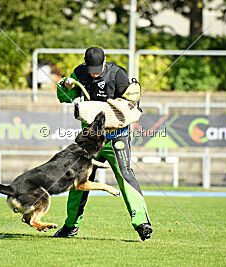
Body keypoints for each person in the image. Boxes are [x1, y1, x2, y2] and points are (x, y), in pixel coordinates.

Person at [54, 47, 152, 241]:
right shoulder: (79, 73)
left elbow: (133, 105)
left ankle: (141, 222)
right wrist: (65, 85)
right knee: (78, 180)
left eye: (98, 69)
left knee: (125, 175)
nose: (94, 73)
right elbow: (63, 97)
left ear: (105, 61)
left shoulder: (118, 75)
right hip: (89, 139)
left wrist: (123, 108)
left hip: (116, 136)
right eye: (91, 69)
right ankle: (71, 225)